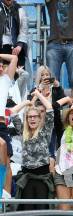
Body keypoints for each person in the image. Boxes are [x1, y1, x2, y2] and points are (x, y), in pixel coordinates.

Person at [10, 89, 54, 211]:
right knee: (27, 210)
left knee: (41, 210)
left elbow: (50, 109)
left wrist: (38, 94)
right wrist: (26, 103)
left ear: (40, 118)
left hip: (42, 177)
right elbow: (12, 112)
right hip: (26, 177)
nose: (32, 119)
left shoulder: (45, 132)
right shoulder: (23, 131)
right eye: (29, 117)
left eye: (35, 116)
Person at [45, 0, 73, 99]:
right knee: (52, 80)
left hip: (72, 44)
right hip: (54, 45)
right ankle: (53, 109)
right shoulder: (52, 3)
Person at [0, 54, 17, 194]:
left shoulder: (5, 80)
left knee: (6, 160)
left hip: (1, 124)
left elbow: (14, 59)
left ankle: (5, 194)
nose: (0, 67)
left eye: (1, 65)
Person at [0, 0, 28, 67]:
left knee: (18, 74)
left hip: (16, 47)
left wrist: (19, 45)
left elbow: (24, 29)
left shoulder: (19, 9)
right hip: (1, 47)